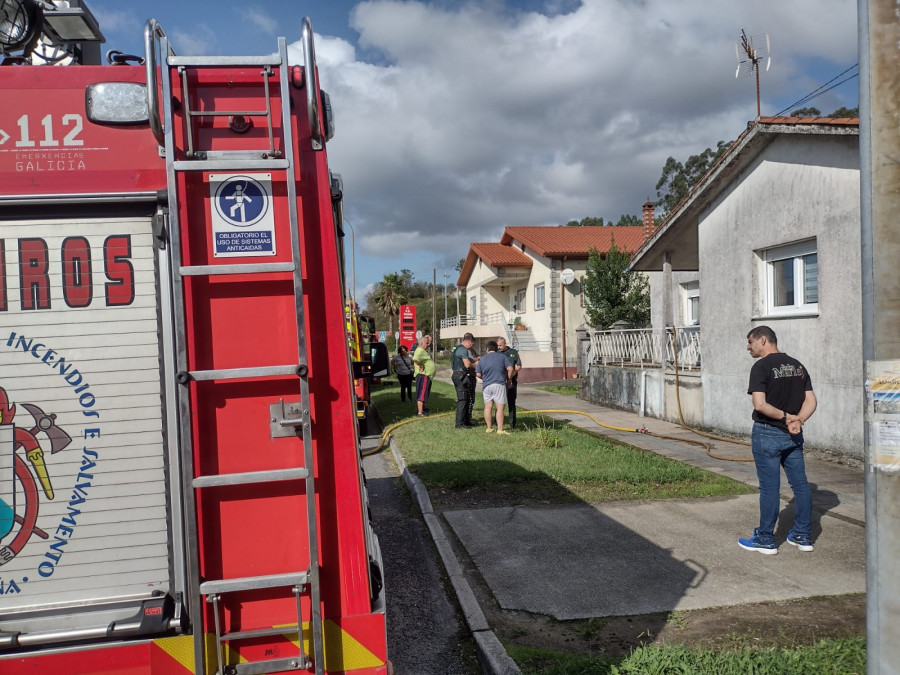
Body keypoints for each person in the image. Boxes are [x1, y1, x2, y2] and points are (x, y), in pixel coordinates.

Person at [739, 326, 817, 555]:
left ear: (763, 340)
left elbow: (760, 405)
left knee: (770, 488)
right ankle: (803, 536)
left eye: (750, 342)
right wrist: (798, 420)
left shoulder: (761, 366)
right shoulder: (797, 365)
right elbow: (811, 400)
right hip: (794, 434)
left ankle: (765, 540)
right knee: (801, 486)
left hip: (768, 433)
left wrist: (786, 417)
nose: (748, 347)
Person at [475, 340, 514, 435]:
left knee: (488, 407)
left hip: (487, 385)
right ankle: (500, 429)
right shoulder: (502, 357)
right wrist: (509, 379)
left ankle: (489, 428)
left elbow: (478, 374)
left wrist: (485, 378)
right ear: (496, 349)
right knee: (500, 408)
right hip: (499, 384)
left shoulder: (482, 359)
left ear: (487, 349)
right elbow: (510, 368)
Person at [451, 335, 477, 428]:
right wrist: (475, 365)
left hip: (458, 375)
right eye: (472, 344)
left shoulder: (456, 348)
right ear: (469, 341)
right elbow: (467, 364)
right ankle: (460, 423)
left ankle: (466, 420)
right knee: (463, 399)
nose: (472, 347)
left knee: (467, 398)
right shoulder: (463, 350)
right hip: (461, 376)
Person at [497, 337, 522, 428]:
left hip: (511, 381)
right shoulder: (497, 353)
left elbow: (519, 365)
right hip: (500, 381)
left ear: (505, 344)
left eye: (500, 345)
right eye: (498, 345)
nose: (499, 347)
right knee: (499, 402)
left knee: (511, 402)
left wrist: (514, 372)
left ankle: (512, 423)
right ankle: (498, 422)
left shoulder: (513, 352)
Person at [412, 335, 435, 417]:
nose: (427, 344)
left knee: (424, 393)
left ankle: (422, 409)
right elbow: (415, 359)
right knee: (421, 394)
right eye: (426, 342)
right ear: (421, 343)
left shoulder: (422, 350)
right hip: (423, 375)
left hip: (426, 376)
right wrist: (421, 365)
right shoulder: (419, 350)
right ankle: (420, 412)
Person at [463, 332, 479, 425]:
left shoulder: (471, 350)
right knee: (469, 398)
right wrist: (476, 362)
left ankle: (469, 417)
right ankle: (467, 418)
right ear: (469, 341)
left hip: (473, 376)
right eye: (472, 343)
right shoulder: (465, 350)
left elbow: (477, 356)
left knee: (471, 398)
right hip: (468, 376)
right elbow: (469, 363)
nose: (472, 345)